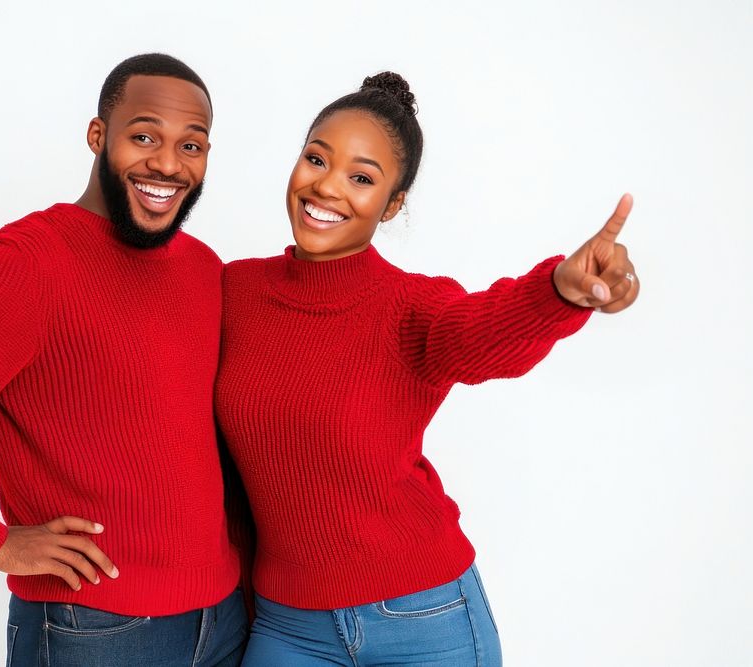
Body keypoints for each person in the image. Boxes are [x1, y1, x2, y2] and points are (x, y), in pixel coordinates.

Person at [214, 72, 639, 666]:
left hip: (422, 616)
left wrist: (557, 293)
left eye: (362, 178)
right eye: (316, 159)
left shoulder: (412, 307)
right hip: (288, 626)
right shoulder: (234, 290)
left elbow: (480, 335)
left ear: (392, 205)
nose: (328, 186)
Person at [0, 53, 250, 667]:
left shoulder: (203, 270)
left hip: (225, 617)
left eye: (192, 145)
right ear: (99, 137)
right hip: (93, 629)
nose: (168, 165)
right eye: (144, 136)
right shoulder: (30, 264)